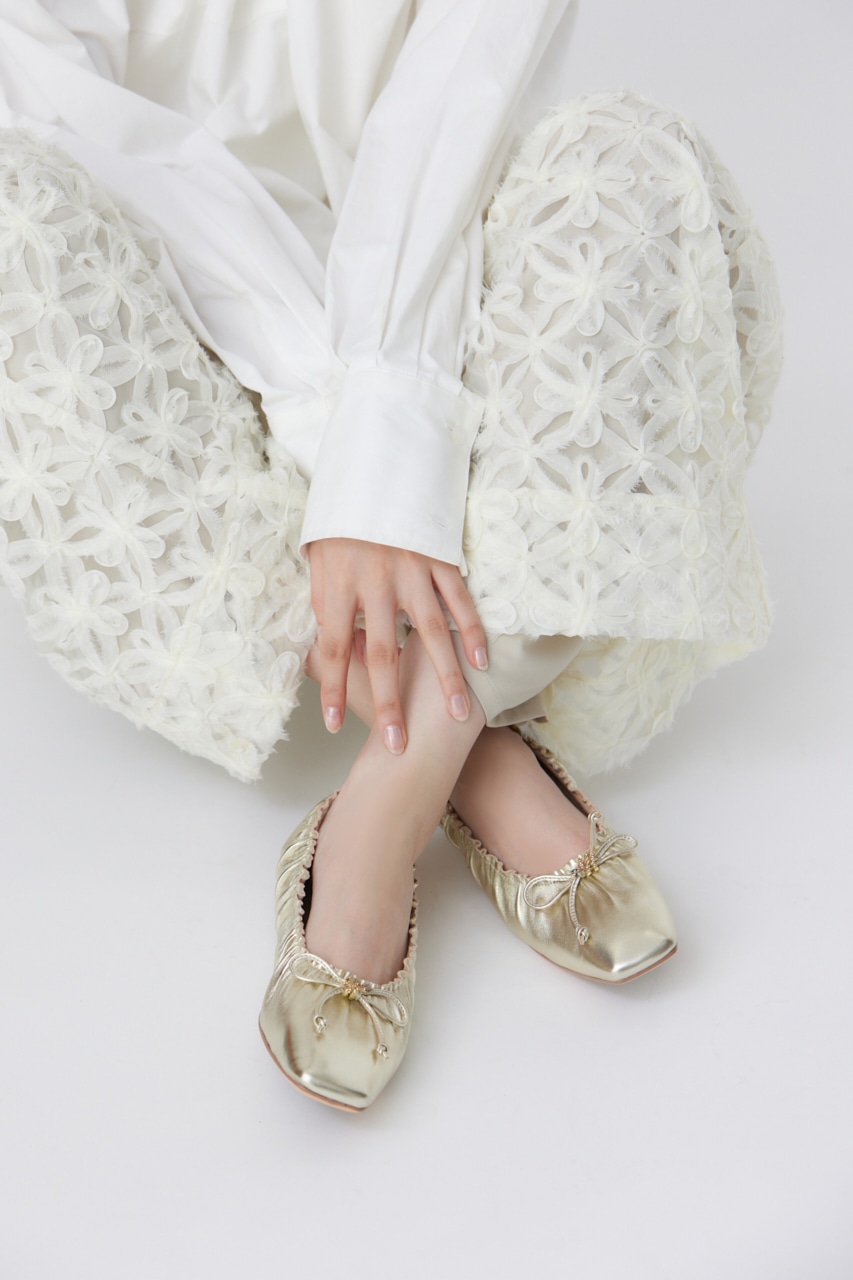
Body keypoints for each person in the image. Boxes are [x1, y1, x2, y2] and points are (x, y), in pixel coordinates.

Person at [0, 0, 782, 1110]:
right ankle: (469, 728)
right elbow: (86, 134)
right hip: (192, 347)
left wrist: (394, 425)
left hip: (455, 303)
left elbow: (461, 97)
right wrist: (355, 460)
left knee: (631, 160)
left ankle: (400, 774)